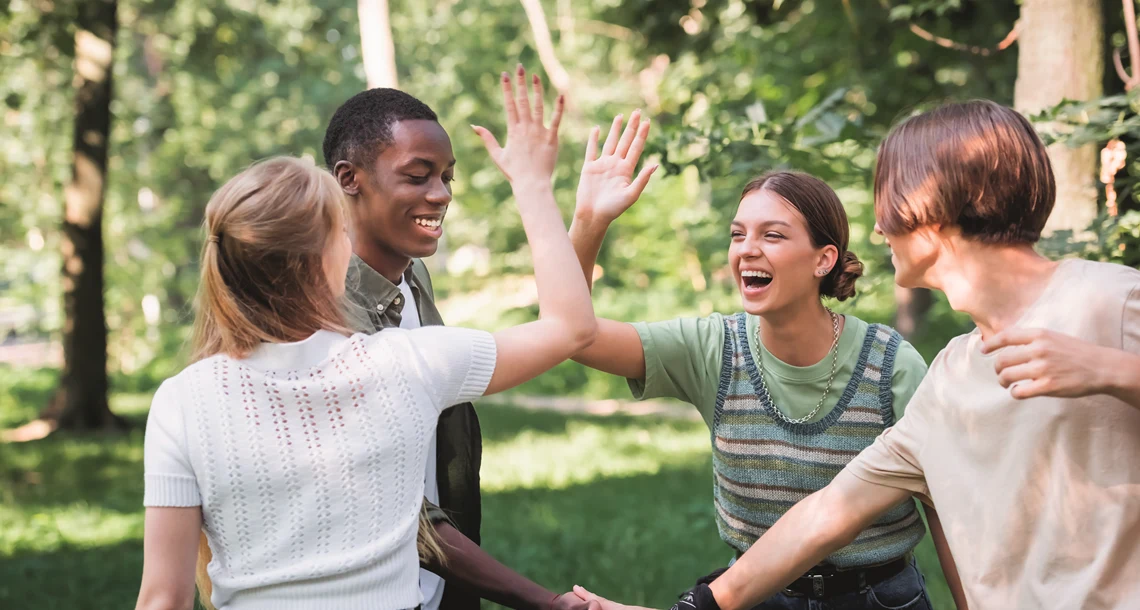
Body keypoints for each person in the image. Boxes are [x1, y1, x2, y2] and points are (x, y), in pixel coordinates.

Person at [574, 100, 1140, 610]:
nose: (876, 226)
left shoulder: (1109, 300)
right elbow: (825, 517)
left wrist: (1111, 370)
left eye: (888, 199)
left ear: (932, 206)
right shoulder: (950, 377)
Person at [135, 69, 598, 610]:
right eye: (419, 175)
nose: (441, 193)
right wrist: (535, 186)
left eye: (447, 176)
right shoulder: (403, 365)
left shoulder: (179, 401)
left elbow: (161, 598)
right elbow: (568, 328)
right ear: (329, 256)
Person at [566, 111, 963, 609]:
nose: (747, 250)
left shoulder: (891, 366)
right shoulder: (714, 347)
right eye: (738, 235)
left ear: (824, 259)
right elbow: (575, 337)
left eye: (772, 235)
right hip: (750, 597)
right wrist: (589, 221)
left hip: (878, 598)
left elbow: (947, 514)